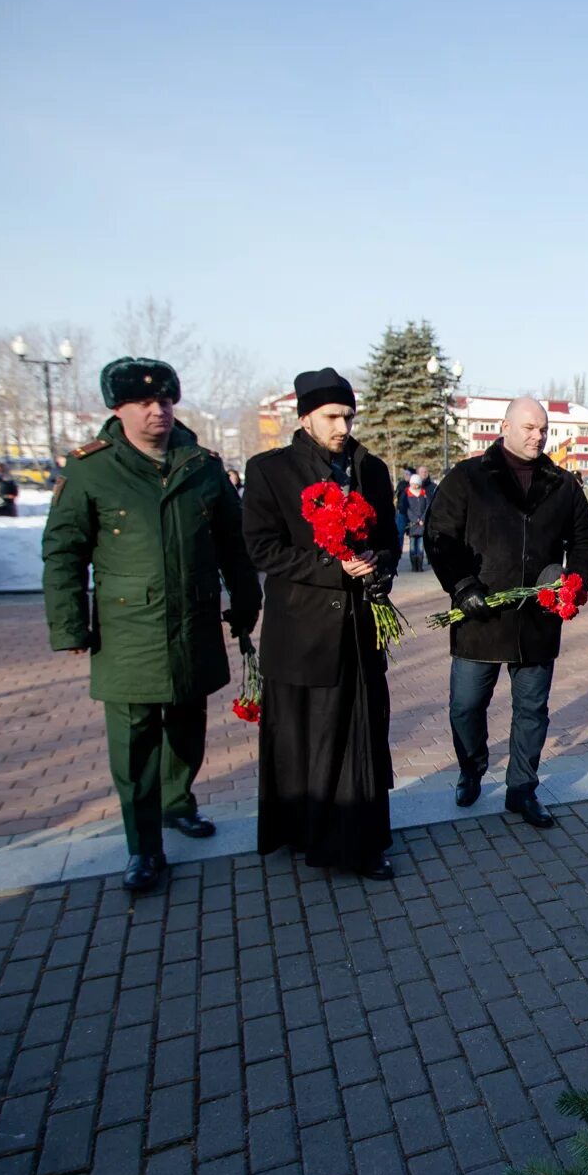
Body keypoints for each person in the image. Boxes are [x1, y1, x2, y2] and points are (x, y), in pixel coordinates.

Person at [42, 357, 261, 893]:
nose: (156, 411)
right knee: (135, 741)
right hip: (128, 629)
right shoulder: (92, 468)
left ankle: (177, 802)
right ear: (117, 409)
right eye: (143, 403)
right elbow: (63, 551)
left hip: (194, 621)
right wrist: (69, 625)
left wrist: (247, 599)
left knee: (188, 726)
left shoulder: (202, 465)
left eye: (164, 400)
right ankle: (143, 848)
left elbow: (233, 543)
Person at [242, 367, 398, 879]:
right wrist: (334, 570)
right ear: (305, 415)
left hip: (358, 630)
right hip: (302, 631)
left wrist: (380, 568)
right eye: (332, 416)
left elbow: (390, 539)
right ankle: (302, 830)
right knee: (303, 738)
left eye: (348, 416)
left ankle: (354, 842)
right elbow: (263, 548)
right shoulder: (270, 470)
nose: (342, 426)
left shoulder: (370, 469)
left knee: (357, 735)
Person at [427, 398, 588, 828]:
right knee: (466, 706)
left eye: (542, 429)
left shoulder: (562, 484)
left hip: (537, 618)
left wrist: (573, 582)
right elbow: (440, 534)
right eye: (527, 427)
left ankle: (522, 787)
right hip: (478, 614)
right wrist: (462, 584)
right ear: (504, 427)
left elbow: (585, 540)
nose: (536, 436)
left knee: (532, 708)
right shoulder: (469, 477)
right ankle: (471, 767)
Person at [400, 467, 432, 572]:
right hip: (412, 524)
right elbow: (407, 509)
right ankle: (414, 565)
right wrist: (415, 519)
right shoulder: (407, 494)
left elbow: (427, 507)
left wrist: (422, 519)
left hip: (422, 524)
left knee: (421, 546)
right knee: (413, 546)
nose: (415, 485)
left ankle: (420, 565)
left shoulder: (423, 493)